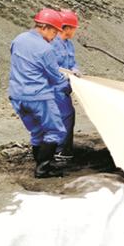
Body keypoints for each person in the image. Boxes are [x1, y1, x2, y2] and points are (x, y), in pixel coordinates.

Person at [8, 8, 68, 178]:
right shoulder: (45, 49)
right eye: (55, 32)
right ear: (45, 27)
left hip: (17, 95)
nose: (55, 36)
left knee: (37, 132)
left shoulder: (18, 39)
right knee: (55, 131)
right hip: (38, 96)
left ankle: (41, 164)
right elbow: (55, 77)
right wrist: (68, 82)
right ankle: (43, 168)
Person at [49, 10, 81, 162]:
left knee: (67, 115)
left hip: (64, 88)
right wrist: (64, 76)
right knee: (64, 116)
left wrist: (75, 70)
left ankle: (61, 149)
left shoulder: (69, 45)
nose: (76, 30)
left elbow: (72, 62)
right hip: (55, 89)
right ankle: (60, 151)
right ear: (67, 28)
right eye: (74, 27)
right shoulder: (52, 43)